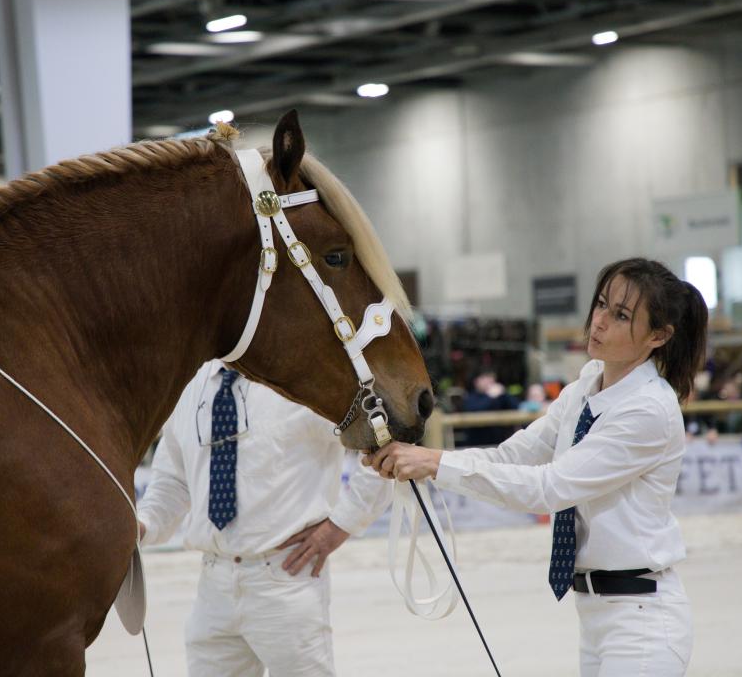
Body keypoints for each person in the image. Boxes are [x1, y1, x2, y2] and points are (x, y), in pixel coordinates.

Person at [365, 257, 708, 677]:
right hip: (596, 615)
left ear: (659, 335)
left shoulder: (649, 409)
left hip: (642, 621)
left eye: (621, 315)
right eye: (602, 304)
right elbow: (510, 456)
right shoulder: (586, 385)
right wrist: (424, 460)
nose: (599, 321)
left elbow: (549, 488)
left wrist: (434, 463)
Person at [136, 359, 392, 677]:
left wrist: (341, 525)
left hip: (286, 576)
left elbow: (381, 447)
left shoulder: (304, 376)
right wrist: (142, 526)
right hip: (213, 584)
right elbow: (172, 481)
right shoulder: (190, 383)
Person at [460, 369, 519, 446]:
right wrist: (490, 397)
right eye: (485, 378)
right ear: (476, 381)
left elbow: (516, 407)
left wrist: (504, 393)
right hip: (477, 445)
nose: (489, 381)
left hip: (499, 444)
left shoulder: (499, 396)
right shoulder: (470, 398)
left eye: (491, 377)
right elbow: (475, 410)